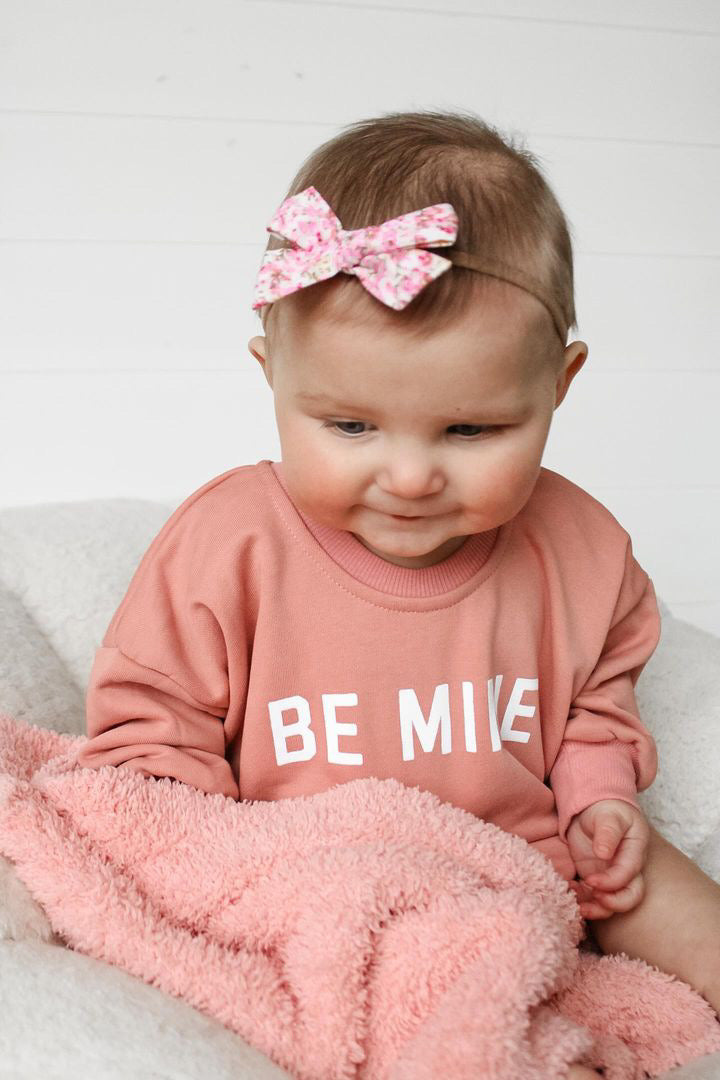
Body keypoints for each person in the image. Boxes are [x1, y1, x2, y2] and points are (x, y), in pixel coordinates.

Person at [76, 110, 720, 1077]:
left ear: (559, 383)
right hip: (310, 879)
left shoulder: (582, 552)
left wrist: (602, 799)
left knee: (650, 879)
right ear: (272, 375)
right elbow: (149, 737)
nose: (411, 477)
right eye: (350, 427)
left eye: (470, 431)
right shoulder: (229, 544)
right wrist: (207, 872)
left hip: (522, 875)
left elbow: (596, 703)